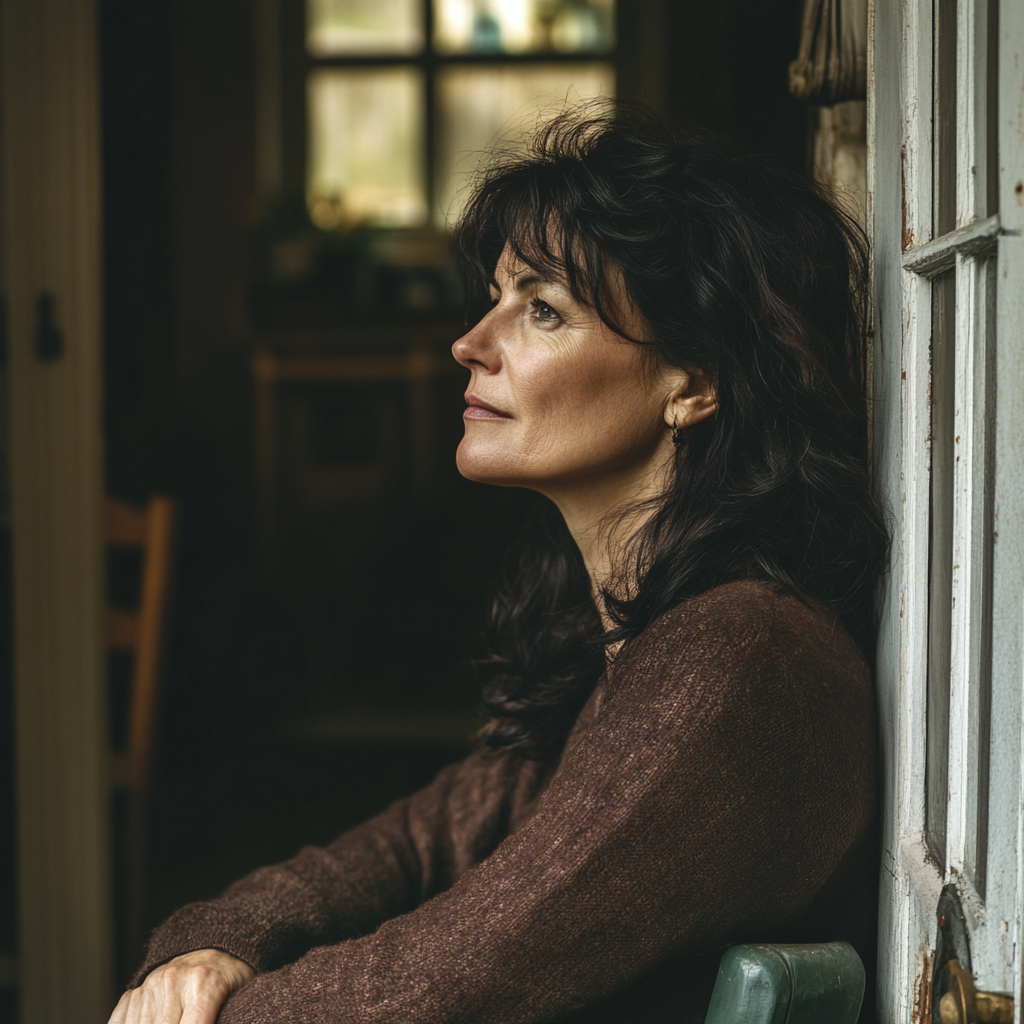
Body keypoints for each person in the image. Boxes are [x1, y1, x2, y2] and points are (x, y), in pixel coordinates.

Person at [110, 103, 888, 1024]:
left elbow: (445, 982)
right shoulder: (637, 642)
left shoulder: (741, 660)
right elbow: (413, 846)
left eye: (543, 311)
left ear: (695, 382)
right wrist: (214, 945)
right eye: (497, 295)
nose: (471, 343)